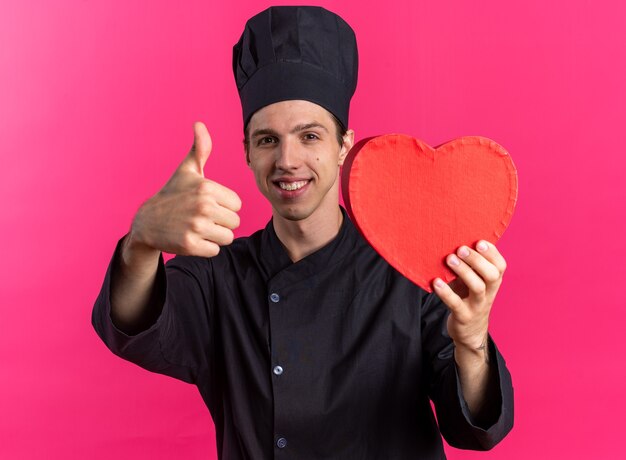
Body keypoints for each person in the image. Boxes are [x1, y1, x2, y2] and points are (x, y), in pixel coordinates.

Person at [92, 5, 514, 459]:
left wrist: (472, 342)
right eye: (267, 140)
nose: (288, 160)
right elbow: (136, 327)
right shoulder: (218, 274)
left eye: (310, 136)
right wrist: (141, 243)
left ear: (343, 146)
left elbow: (473, 429)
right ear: (248, 153)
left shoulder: (408, 265)